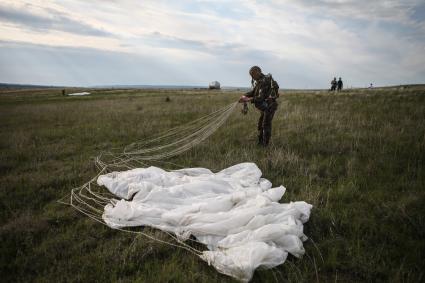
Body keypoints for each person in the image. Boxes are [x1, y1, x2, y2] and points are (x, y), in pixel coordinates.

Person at [239, 66, 279, 147]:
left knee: (266, 125)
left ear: (258, 72)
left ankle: (265, 146)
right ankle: (260, 142)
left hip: (270, 106)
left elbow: (260, 98)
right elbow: (253, 92)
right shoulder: (259, 81)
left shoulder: (265, 81)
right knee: (261, 124)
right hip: (266, 107)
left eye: (253, 74)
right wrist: (244, 96)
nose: (252, 76)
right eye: (251, 75)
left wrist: (248, 100)